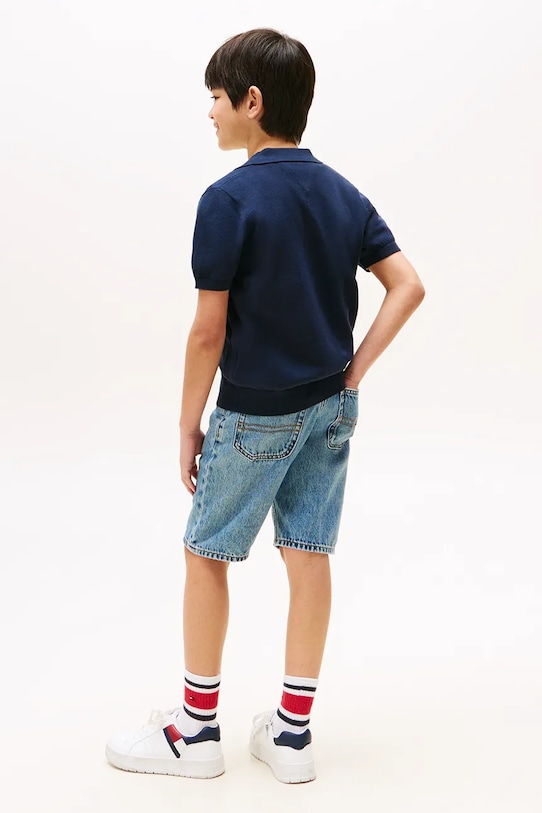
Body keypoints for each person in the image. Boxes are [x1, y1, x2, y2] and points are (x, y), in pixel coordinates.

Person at [105, 27, 425, 784]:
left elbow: (207, 331)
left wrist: (188, 423)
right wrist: (352, 374)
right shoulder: (342, 192)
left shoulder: (227, 199)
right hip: (329, 409)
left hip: (253, 416)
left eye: (216, 97)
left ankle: (195, 730)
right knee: (308, 553)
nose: (210, 112)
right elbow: (408, 284)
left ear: (252, 101)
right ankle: (291, 735)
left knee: (205, 553)